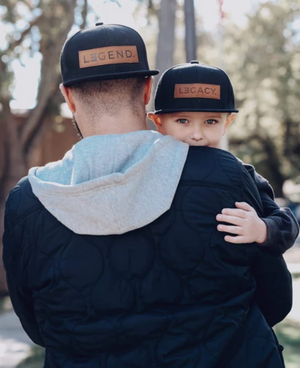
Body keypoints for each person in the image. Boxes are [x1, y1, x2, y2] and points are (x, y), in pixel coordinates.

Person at [2, 23, 294, 368]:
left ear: (68, 97)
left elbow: (37, 326)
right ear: (147, 90)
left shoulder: (27, 202)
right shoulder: (225, 174)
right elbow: (276, 299)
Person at [148, 61, 299, 256]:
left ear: (226, 123)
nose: (196, 134)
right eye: (183, 121)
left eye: (210, 121)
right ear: (158, 122)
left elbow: (287, 223)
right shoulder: (145, 167)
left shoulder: (243, 174)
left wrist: (262, 229)